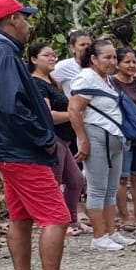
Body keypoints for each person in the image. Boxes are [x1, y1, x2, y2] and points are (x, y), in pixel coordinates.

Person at [0, 0, 88, 270]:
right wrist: (44, 139)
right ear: (12, 19)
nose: (28, 25)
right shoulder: (3, 55)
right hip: (23, 149)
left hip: (7, 147)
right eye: (24, 18)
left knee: (21, 217)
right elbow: (13, 105)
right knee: (57, 217)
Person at [69, 38, 130, 252]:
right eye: (107, 57)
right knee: (97, 189)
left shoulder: (107, 80)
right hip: (96, 137)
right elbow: (74, 109)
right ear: (94, 59)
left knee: (111, 189)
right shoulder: (87, 77)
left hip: (114, 138)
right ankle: (98, 236)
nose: (112, 61)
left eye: (114, 57)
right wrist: (83, 140)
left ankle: (111, 231)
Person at [27, 41, 87, 237]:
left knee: (76, 179)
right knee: (56, 181)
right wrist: (73, 115)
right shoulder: (36, 83)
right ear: (33, 59)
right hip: (53, 139)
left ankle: (71, 219)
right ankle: (57, 222)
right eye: (46, 55)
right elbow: (48, 116)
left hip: (65, 140)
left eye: (54, 55)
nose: (52, 58)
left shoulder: (52, 82)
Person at [112, 47, 136, 234]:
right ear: (117, 64)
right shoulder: (113, 83)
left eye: (134, 61)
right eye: (127, 62)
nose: (132, 65)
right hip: (125, 136)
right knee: (122, 178)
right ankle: (124, 217)